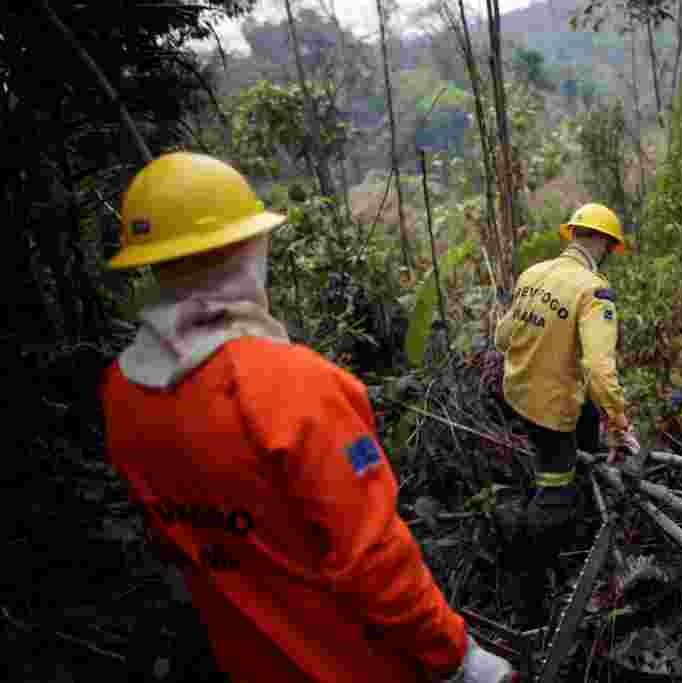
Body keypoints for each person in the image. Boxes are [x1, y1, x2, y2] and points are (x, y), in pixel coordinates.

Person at [99, 152, 514, 683]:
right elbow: (372, 558)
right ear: (249, 250)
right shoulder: (291, 386)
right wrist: (456, 657)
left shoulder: (123, 391)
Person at [494, 203, 642, 626]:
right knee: (555, 492)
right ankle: (531, 591)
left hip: (517, 395)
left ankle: (568, 506)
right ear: (604, 244)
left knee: (579, 443)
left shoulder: (533, 274)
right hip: (550, 411)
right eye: (612, 247)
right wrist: (622, 425)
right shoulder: (594, 292)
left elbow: (504, 336)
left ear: (573, 235)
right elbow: (599, 371)